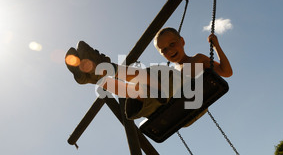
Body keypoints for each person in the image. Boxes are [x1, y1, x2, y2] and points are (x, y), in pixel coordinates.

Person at [65, 27, 232, 119]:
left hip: (193, 102)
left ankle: (103, 67)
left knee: (154, 74)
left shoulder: (198, 59)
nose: (169, 51)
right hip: (172, 106)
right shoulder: (172, 74)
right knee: (137, 89)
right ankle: (97, 78)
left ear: (182, 41)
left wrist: (216, 45)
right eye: (164, 50)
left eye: (172, 44)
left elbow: (226, 72)